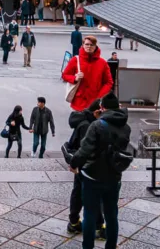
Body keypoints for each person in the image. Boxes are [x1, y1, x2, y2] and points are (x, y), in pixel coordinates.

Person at [69, 92, 131, 249]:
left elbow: (84, 150)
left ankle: (88, 246)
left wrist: (74, 163)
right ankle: (110, 246)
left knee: (89, 213)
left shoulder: (97, 125)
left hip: (93, 176)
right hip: (114, 176)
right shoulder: (126, 128)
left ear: (102, 108)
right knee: (111, 214)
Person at [63, 99, 102, 236]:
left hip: (80, 164)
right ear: (96, 112)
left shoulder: (85, 120)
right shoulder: (87, 126)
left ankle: (74, 223)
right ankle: (99, 227)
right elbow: (86, 149)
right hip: (85, 165)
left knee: (78, 193)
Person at [62, 36, 114, 112]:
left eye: (92, 45)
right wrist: (75, 78)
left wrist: (99, 96)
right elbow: (64, 75)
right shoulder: (75, 60)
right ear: (82, 45)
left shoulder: (102, 63)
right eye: (87, 44)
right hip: (79, 103)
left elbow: (108, 82)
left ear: (96, 46)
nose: (89, 47)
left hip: (95, 105)